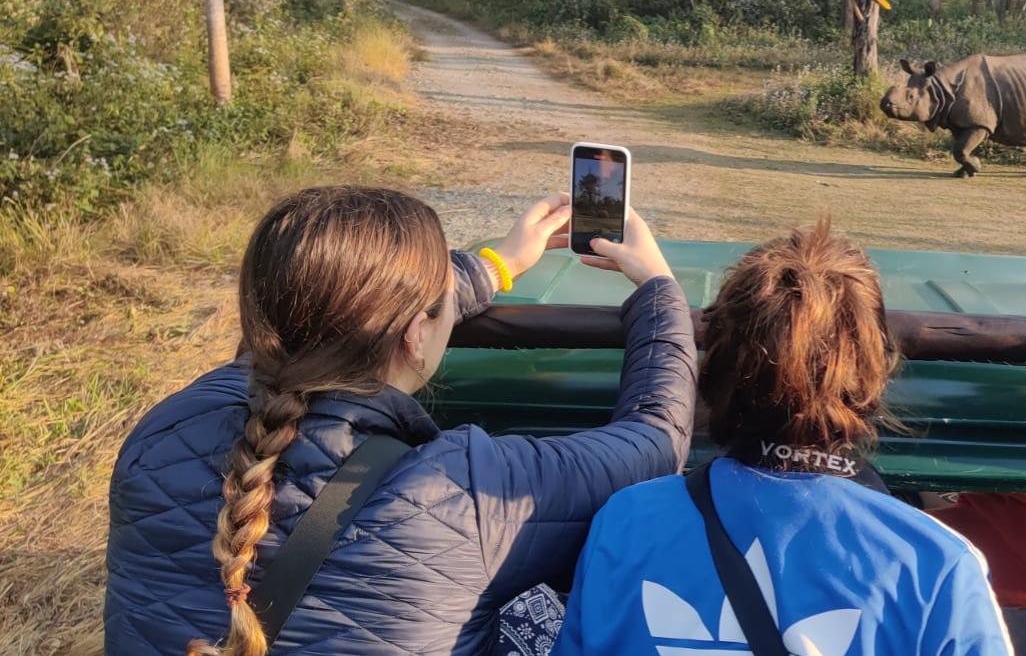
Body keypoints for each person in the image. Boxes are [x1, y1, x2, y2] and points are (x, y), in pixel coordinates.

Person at [103, 186, 697, 655]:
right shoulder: (461, 489)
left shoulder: (166, 427)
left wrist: (496, 265)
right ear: (418, 334)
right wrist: (660, 289)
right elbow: (655, 441)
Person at [552, 221, 1014, 655]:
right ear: (871, 376)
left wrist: (659, 289)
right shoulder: (934, 564)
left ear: (713, 376)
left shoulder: (627, 520)